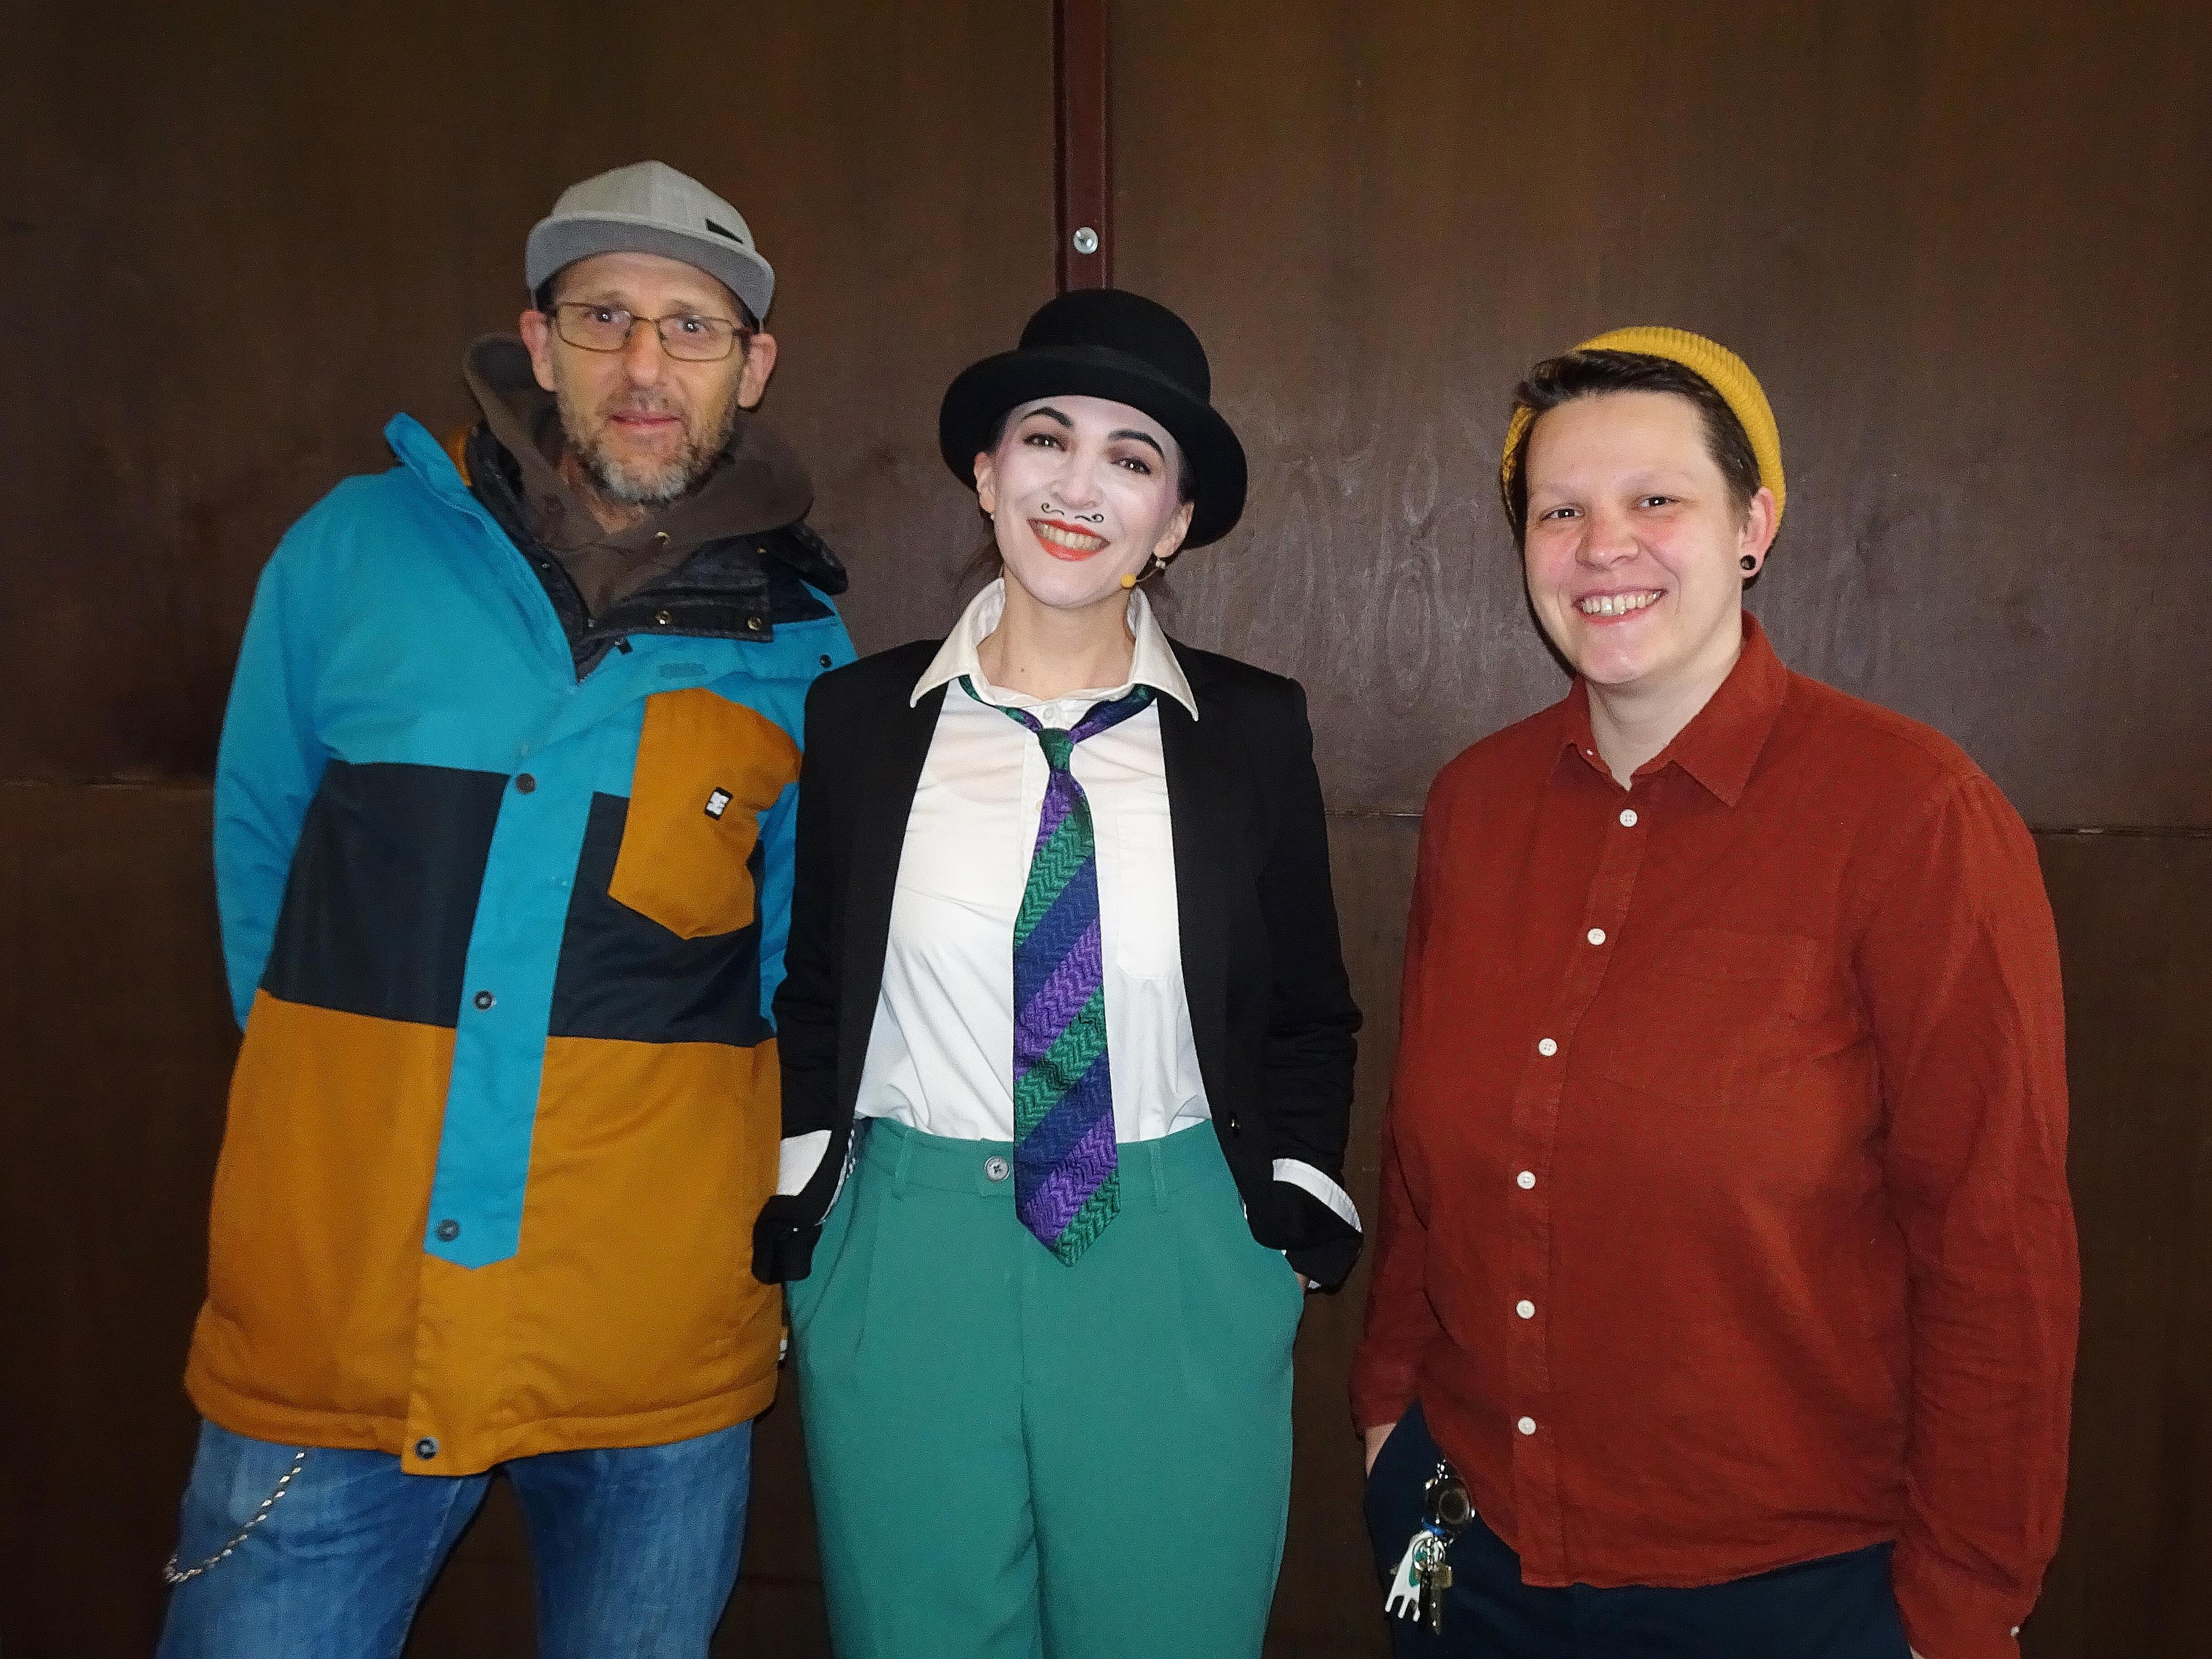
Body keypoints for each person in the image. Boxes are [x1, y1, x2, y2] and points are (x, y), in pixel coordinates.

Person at [159, 160, 854, 1658]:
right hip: (339, 1321)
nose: (645, 366)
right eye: (604, 317)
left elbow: (794, 979)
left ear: (752, 368)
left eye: (691, 327)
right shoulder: (350, 553)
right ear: (539, 344)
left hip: (649, 1345)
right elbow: (258, 877)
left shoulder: (805, 646)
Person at [1352, 328, 2078, 1659]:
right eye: (1558, 511)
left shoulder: (1912, 813)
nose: (1602, 546)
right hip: (1457, 1529)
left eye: (1655, 499)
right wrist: (1385, 1415)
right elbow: (1423, 1163)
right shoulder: (1473, 803)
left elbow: (1994, 1239)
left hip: (1784, 1584)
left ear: (1752, 526)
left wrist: (1968, 1600)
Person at [752, 288, 1362, 1658]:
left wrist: (1278, 1238)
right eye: (1045, 439)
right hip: (908, 1255)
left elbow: (1306, 1013)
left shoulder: (1251, 732)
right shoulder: (862, 719)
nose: (1078, 487)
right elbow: (819, 992)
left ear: (1174, 521)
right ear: (986, 472)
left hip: (1174, 1250)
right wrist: (818, 1224)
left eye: (1131, 460)